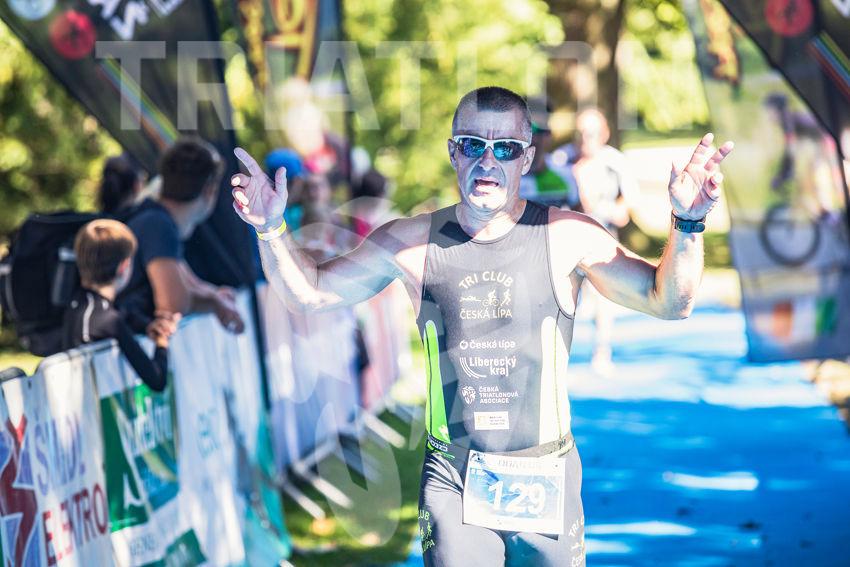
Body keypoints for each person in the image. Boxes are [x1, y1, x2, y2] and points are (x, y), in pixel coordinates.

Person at [230, 86, 733, 567]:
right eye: (473, 145)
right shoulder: (410, 243)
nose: (487, 161)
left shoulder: (567, 236)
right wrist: (271, 230)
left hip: (547, 473)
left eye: (506, 148)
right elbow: (311, 292)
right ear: (453, 152)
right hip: (454, 478)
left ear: (526, 159)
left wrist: (687, 223)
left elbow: (670, 302)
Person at [116, 138, 245, 335]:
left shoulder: (155, 217)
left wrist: (216, 297)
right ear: (209, 190)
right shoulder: (159, 225)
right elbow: (173, 304)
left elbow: (190, 282)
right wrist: (214, 302)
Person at [556, 108, 640, 375]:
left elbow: (627, 206)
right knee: (563, 297)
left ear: (604, 134)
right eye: (580, 132)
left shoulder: (615, 162)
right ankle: (557, 354)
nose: (585, 138)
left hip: (602, 239)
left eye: (591, 133)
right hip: (566, 240)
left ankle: (602, 350)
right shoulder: (560, 160)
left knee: (603, 298)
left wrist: (612, 210)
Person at [62, 219, 180, 391]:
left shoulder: (77, 303)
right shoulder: (110, 321)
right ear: (124, 267)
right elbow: (157, 379)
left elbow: (126, 313)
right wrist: (162, 341)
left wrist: (146, 326)